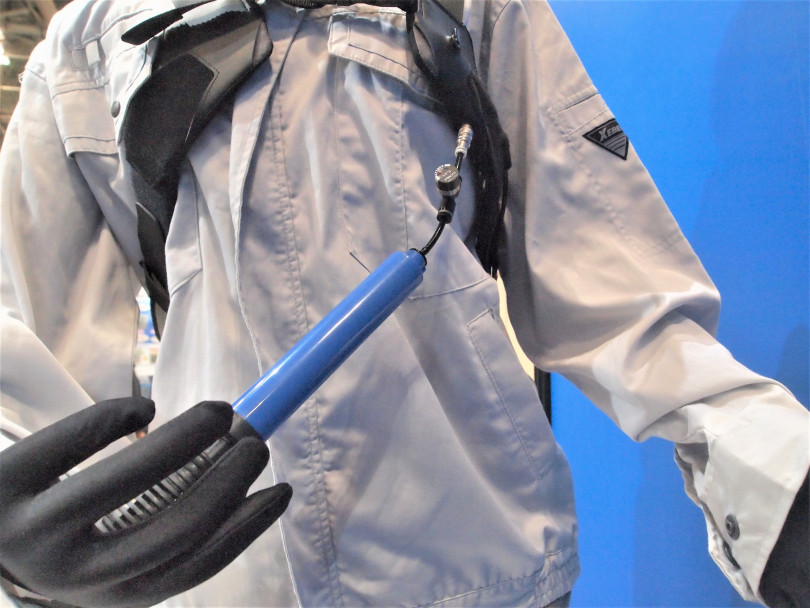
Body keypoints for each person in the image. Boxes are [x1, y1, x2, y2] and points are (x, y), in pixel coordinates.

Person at [0, 0, 807, 607]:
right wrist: (22, 553)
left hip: (483, 567)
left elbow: (618, 287)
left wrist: (777, 477)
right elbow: (31, 364)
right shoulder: (84, 50)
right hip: (224, 573)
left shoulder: (476, 9)